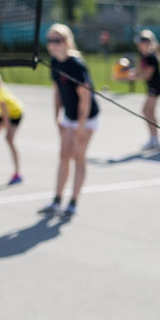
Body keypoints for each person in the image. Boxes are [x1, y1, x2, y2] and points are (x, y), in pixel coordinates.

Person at [41, 23, 98, 216]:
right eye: (50, 40)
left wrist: (81, 126)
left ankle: (73, 202)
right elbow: (57, 91)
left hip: (86, 117)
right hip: (69, 117)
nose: (53, 44)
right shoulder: (55, 63)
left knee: (78, 157)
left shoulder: (76, 64)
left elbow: (85, 98)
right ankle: (57, 200)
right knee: (64, 156)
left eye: (57, 40)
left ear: (66, 42)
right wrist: (56, 116)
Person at [129, 29, 160, 151]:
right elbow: (139, 70)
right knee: (148, 112)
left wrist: (132, 77)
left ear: (147, 43)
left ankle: (155, 139)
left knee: (146, 111)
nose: (139, 45)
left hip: (156, 87)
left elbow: (146, 75)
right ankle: (154, 139)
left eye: (141, 42)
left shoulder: (152, 57)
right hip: (152, 86)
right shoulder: (144, 56)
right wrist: (123, 74)